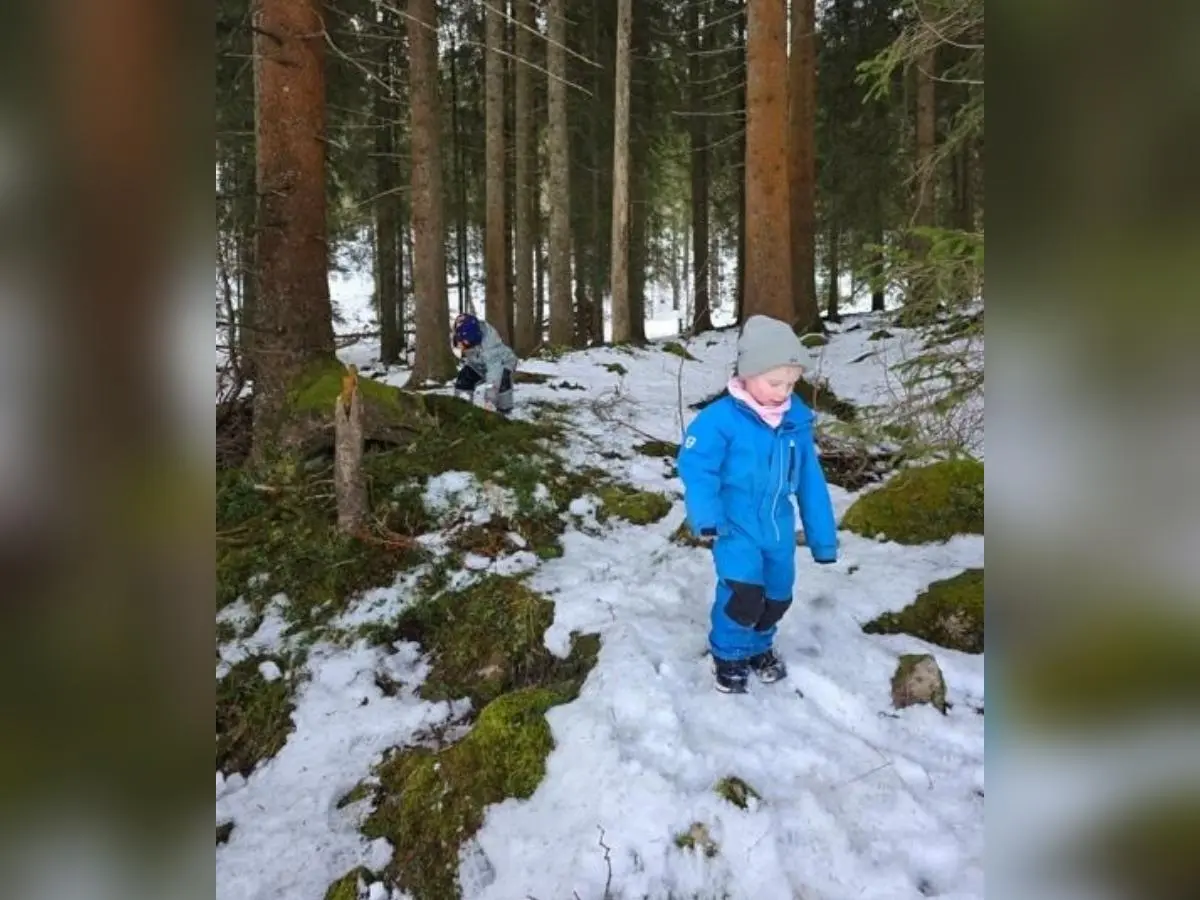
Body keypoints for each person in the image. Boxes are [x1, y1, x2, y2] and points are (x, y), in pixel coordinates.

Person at [677, 314, 839, 693]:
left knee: (777, 595)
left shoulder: (795, 423)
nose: (783, 392)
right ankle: (729, 653)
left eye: (791, 384)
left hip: (778, 529)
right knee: (744, 593)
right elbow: (697, 468)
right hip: (735, 528)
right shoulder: (719, 420)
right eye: (774, 383)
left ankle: (759, 646)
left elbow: (811, 483)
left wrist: (823, 538)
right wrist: (707, 518)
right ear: (747, 374)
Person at [451, 313, 519, 414]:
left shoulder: (490, 349)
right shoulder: (465, 334)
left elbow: (493, 379)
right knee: (464, 377)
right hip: (478, 364)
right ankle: (462, 407)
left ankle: (504, 411)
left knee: (502, 381)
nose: (462, 345)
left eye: (465, 342)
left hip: (503, 363)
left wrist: (489, 401)